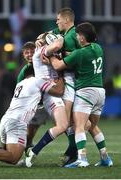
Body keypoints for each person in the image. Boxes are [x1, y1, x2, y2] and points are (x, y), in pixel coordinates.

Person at [0, 66, 65, 167]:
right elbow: (59, 91)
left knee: (5, 151)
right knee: (13, 157)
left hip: (5, 120)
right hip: (17, 122)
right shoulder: (37, 81)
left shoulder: (20, 84)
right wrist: (61, 74)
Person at [49, 22, 113, 167]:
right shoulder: (98, 48)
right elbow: (76, 55)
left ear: (83, 38)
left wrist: (52, 55)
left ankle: (82, 159)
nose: (77, 37)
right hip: (100, 93)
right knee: (91, 126)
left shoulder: (80, 53)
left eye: (78, 35)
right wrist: (66, 54)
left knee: (79, 126)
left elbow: (58, 66)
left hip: (86, 92)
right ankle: (105, 158)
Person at [25, 32, 70, 167]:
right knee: (63, 126)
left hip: (53, 93)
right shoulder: (41, 50)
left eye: (39, 38)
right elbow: (57, 44)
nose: (37, 40)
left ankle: (72, 155)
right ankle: (33, 150)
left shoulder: (48, 53)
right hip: (51, 94)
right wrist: (61, 37)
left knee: (69, 126)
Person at [17, 42, 50, 152]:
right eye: (27, 52)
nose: (30, 54)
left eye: (32, 51)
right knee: (31, 129)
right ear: (23, 55)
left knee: (64, 126)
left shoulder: (44, 63)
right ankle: (26, 148)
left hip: (51, 100)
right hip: (36, 105)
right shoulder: (25, 71)